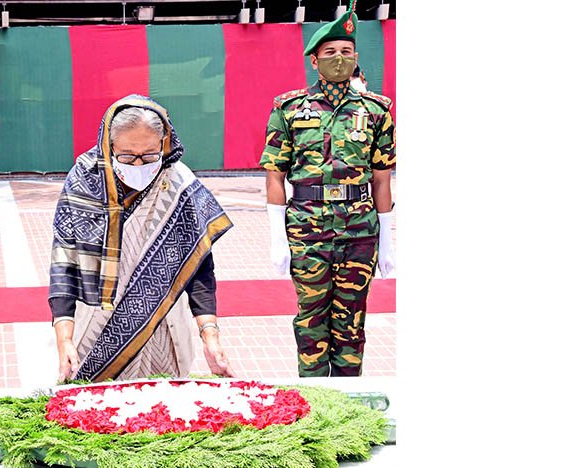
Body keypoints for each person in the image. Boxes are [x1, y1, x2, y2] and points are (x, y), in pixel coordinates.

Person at [49, 94, 236, 383]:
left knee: (163, 410)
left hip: (162, 327)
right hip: (96, 329)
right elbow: (64, 261)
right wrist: (64, 339)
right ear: (109, 145)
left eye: (149, 155)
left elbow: (200, 266)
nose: (138, 164)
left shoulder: (179, 184)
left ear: (164, 144)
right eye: (126, 156)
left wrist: (210, 335)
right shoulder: (84, 181)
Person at [260, 2, 396, 377]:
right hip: (307, 230)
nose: (340, 59)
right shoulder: (288, 109)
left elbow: (382, 178)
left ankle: (349, 402)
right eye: (330, 53)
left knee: (352, 322)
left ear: (355, 59)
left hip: (359, 230)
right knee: (310, 320)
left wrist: (387, 241)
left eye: (347, 52)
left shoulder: (376, 111)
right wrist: (277, 238)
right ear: (314, 61)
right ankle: (317, 402)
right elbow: (275, 175)